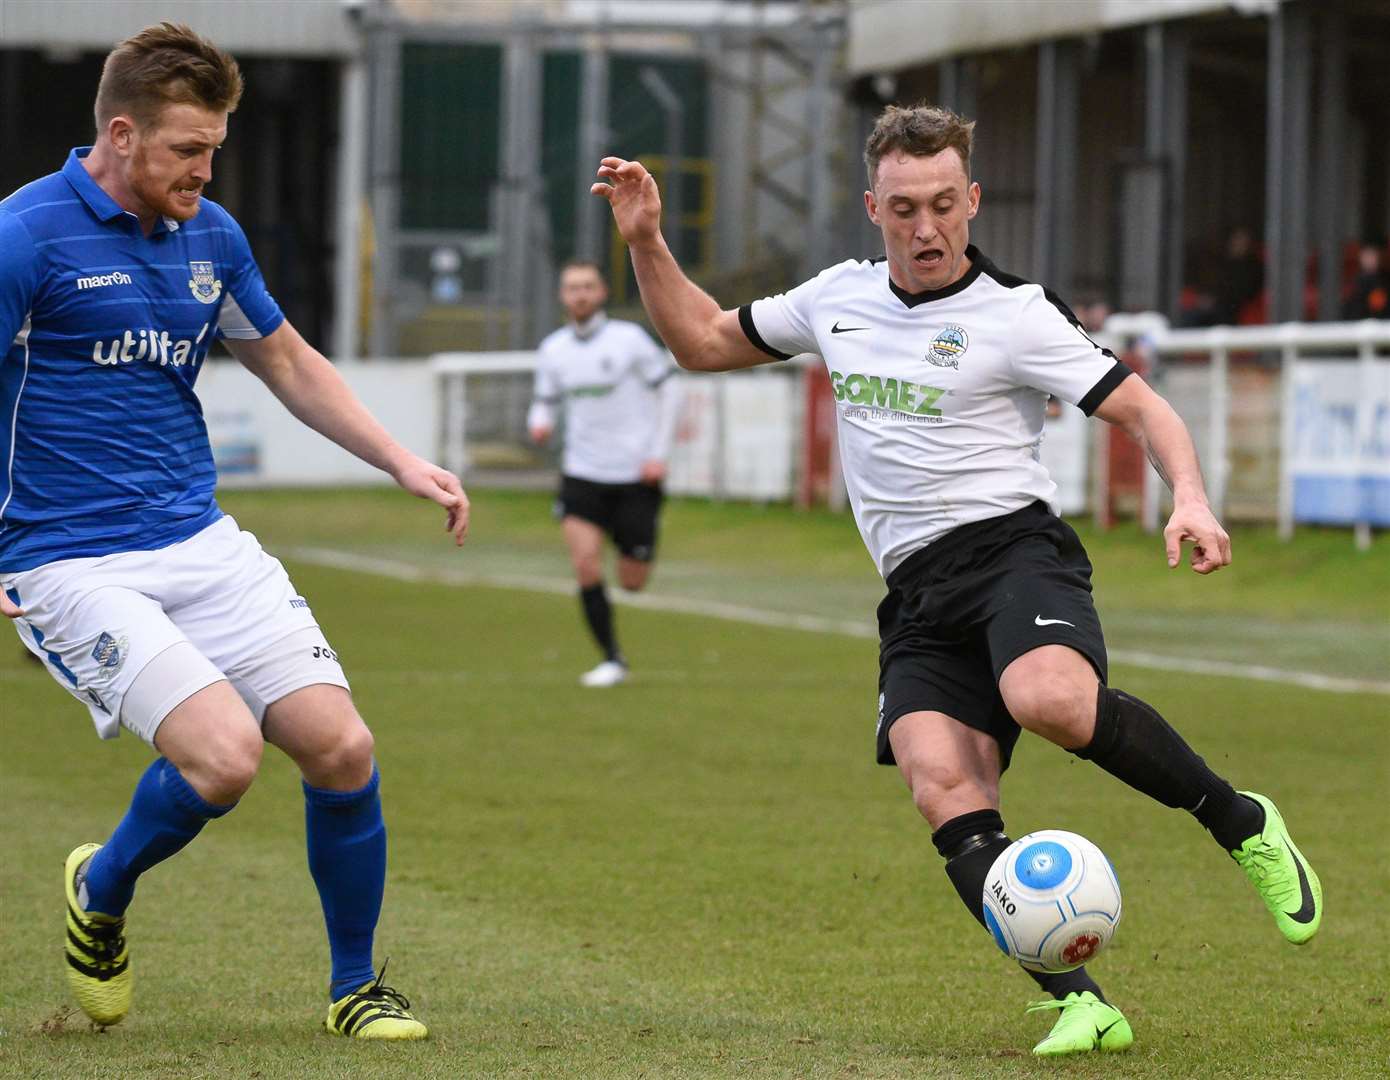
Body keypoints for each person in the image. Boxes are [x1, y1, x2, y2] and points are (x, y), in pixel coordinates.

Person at [592, 104, 1322, 1057]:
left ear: (972, 199)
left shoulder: (1017, 315)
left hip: (1015, 552)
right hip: (916, 595)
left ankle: (1241, 821)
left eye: (943, 203)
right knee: (942, 788)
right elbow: (698, 340)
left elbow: (1145, 410)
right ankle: (1081, 1001)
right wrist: (647, 241)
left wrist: (1190, 497)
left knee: (1050, 698)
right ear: (873, 208)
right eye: (904, 208)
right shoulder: (835, 299)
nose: (925, 227)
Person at [0, 23, 468, 1039]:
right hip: (69, 558)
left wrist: (399, 459)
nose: (205, 170)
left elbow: (289, 362)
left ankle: (355, 987)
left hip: (200, 539)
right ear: (120, 135)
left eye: (214, 148)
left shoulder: (211, 232)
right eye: (186, 149)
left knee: (342, 748)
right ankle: (105, 888)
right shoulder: (24, 236)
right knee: (223, 759)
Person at [527, 259, 681, 687]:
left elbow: (670, 389)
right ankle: (612, 658)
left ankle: (631, 543)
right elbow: (545, 400)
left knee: (632, 582)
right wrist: (537, 422)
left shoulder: (629, 341)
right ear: (563, 296)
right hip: (582, 474)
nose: (579, 294)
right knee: (586, 566)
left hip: (635, 475)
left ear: (601, 293)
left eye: (587, 286)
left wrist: (658, 453)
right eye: (571, 287)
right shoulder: (552, 350)